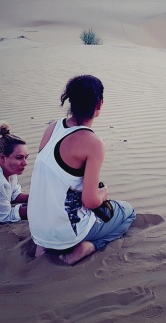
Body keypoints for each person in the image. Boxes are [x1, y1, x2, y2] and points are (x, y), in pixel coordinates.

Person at [28, 75, 136, 265]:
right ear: (99, 105)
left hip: (37, 230)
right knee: (127, 212)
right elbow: (90, 201)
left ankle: (43, 248)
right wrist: (102, 194)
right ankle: (83, 249)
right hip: (64, 233)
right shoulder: (93, 143)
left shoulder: (53, 128)